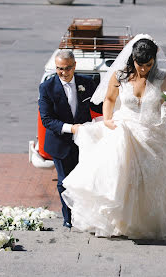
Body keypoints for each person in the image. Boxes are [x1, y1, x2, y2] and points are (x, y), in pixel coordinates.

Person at [61, 34, 166, 239]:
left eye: (148, 65)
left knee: (152, 182)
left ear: (154, 60)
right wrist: (107, 120)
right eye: (139, 64)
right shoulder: (120, 75)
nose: (143, 69)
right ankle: (120, 223)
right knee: (120, 177)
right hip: (124, 128)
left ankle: (148, 224)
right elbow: (109, 99)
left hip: (153, 134)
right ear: (132, 59)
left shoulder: (164, 79)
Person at [38, 50, 102, 229]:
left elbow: (99, 105)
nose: (63, 73)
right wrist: (71, 128)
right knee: (64, 181)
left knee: (85, 180)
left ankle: (85, 214)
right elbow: (47, 119)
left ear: (74, 66)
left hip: (85, 142)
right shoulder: (47, 88)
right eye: (59, 69)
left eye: (67, 68)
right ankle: (68, 218)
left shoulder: (87, 83)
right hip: (60, 142)